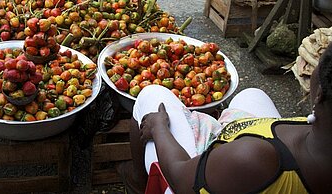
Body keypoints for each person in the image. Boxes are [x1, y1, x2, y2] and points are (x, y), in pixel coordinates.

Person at [117, 43, 332, 194]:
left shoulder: (253, 158)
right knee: (252, 94)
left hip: (192, 175)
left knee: (152, 94)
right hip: (235, 153)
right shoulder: (320, 139)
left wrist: (159, 128)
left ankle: (137, 181)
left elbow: (181, 179)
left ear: (320, 93)